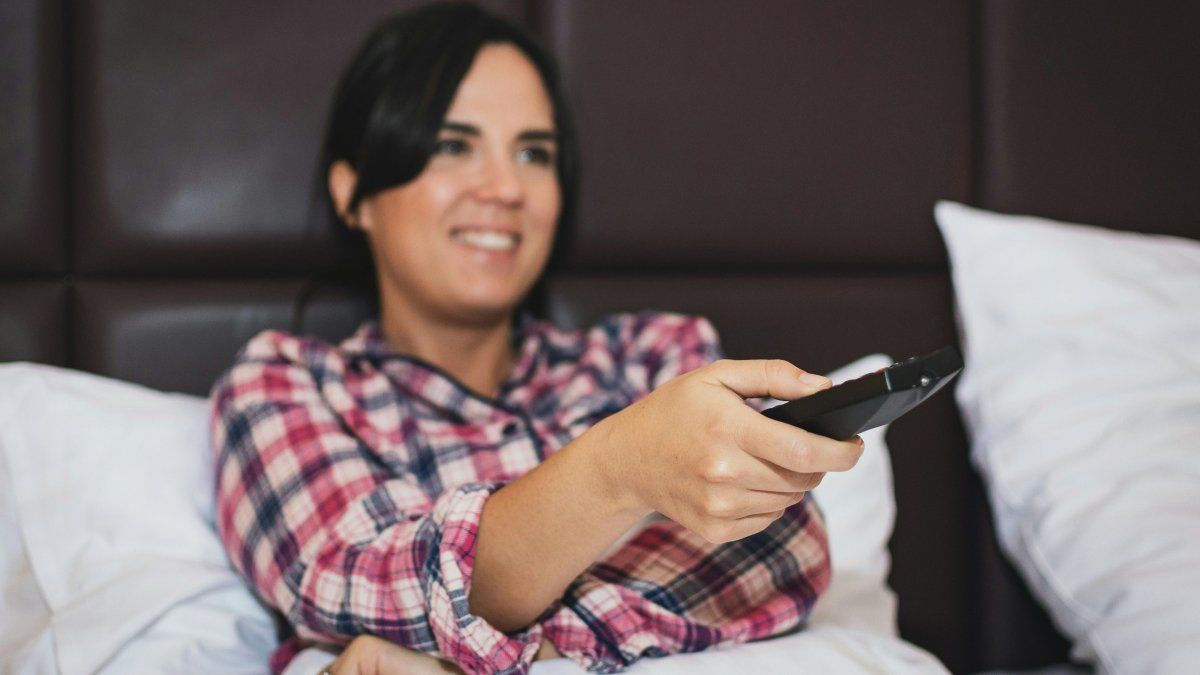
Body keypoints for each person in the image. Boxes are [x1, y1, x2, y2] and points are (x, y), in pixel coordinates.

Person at [209, 3, 864, 674]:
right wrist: (617, 469)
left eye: (533, 153)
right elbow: (353, 586)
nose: (505, 188)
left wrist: (494, 652)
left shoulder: (652, 356)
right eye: (453, 145)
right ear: (353, 193)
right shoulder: (284, 384)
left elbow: (781, 549)